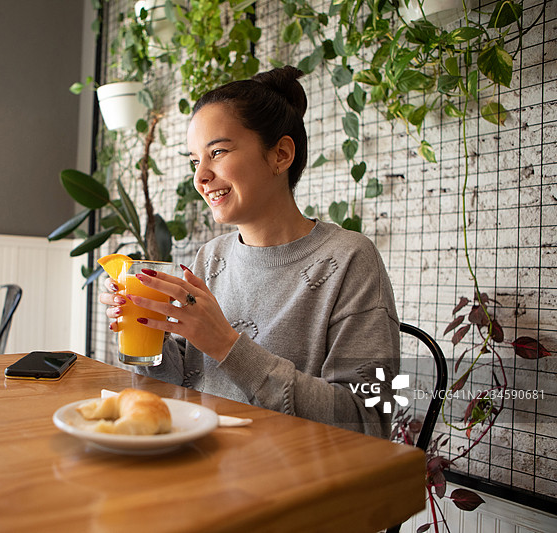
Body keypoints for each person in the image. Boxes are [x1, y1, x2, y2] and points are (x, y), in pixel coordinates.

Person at [99, 66, 400, 438]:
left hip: (290, 478)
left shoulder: (350, 259)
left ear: (281, 154)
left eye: (218, 152)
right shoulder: (211, 257)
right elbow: (187, 381)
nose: (200, 177)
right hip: (200, 459)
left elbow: (367, 421)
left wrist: (227, 345)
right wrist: (152, 330)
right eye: (195, 161)